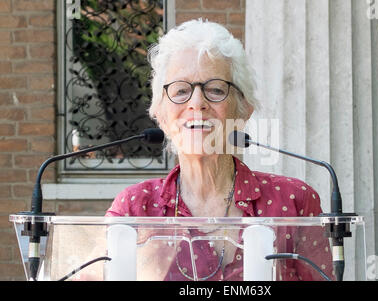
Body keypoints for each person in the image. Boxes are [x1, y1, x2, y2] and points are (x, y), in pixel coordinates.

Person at [106, 19, 333, 281]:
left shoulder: (294, 202)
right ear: (160, 114)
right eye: (180, 90)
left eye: (215, 89)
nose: (197, 103)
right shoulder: (135, 207)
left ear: (243, 109)